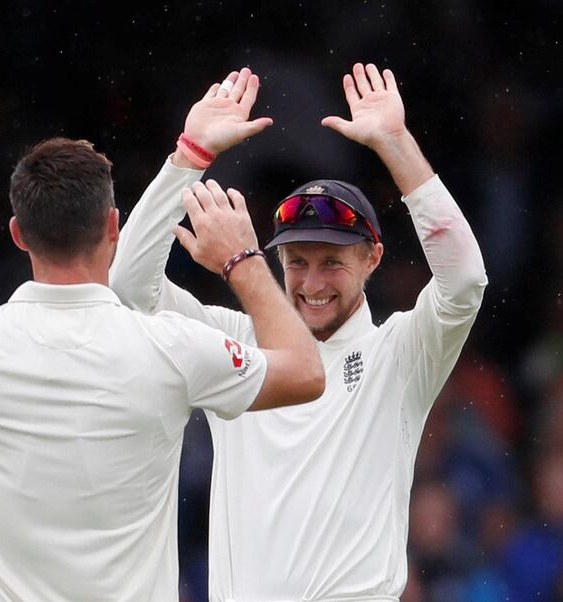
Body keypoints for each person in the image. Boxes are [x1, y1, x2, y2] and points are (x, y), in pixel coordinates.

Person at [0, 131, 324, 600]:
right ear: (112, 227)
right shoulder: (172, 344)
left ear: (18, 233)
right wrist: (243, 260)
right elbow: (303, 373)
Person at [110, 63, 488, 600]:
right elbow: (128, 286)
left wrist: (396, 144)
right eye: (296, 261)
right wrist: (187, 156)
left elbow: (466, 280)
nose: (312, 283)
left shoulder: (399, 351)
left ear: (373, 258)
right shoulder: (232, 342)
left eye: (332, 262)